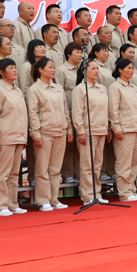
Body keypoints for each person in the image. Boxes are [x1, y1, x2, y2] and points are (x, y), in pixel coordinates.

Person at [27, 58, 73, 211]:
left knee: (55, 169)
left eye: (54, 67)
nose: (53, 70)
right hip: (45, 133)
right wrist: (35, 133)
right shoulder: (34, 89)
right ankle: (43, 200)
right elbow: (33, 113)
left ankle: (54, 199)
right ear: (40, 70)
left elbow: (65, 110)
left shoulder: (58, 88)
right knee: (42, 169)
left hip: (60, 132)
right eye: (50, 67)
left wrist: (69, 128)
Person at [0, 58, 29, 216]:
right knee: (2, 173)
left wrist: (24, 137)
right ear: (1, 72)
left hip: (18, 136)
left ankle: (12, 204)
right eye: (10, 68)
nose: (15, 70)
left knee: (14, 173)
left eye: (15, 67)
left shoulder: (17, 90)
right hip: (5, 137)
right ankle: (0, 206)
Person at [72, 58, 112, 205]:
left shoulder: (102, 88)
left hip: (101, 130)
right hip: (88, 131)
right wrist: (80, 131)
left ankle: (97, 193)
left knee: (97, 165)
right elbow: (77, 112)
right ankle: (88, 196)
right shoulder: (80, 89)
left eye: (97, 68)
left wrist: (108, 128)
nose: (96, 71)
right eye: (93, 68)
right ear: (84, 71)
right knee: (87, 165)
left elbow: (106, 110)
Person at [109, 59, 137, 202]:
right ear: (120, 70)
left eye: (132, 68)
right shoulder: (115, 87)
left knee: (134, 163)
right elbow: (113, 109)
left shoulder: (134, 87)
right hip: (124, 129)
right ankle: (124, 192)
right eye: (128, 68)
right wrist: (116, 127)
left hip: (136, 128)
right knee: (124, 162)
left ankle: (132, 190)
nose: (132, 70)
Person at [55, 42, 83, 183]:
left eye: (81, 52)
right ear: (68, 54)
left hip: (82, 110)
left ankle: (79, 174)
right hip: (68, 109)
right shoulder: (61, 70)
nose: (80, 55)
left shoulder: (83, 69)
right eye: (77, 52)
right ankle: (68, 174)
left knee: (81, 145)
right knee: (69, 145)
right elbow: (59, 91)